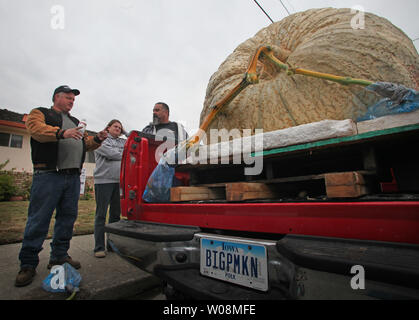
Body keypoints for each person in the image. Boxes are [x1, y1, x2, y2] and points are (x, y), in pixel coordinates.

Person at [15, 85, 108, 287]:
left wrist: (97, 139)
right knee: (39, 219)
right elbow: (36, 131)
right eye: (68, 98)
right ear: (57, 97)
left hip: (72, 177)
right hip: (49, 175)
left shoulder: (75, 122)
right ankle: (28, 264)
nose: (71, 101)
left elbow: (85, 143)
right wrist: (61, 133)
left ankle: (59, 255)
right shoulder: (40, 113)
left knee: (67, 218)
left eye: (73, 99)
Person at [93, 119, 126, 258]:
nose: (118, 129)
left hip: (118, 182)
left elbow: (134, 144)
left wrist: (126, 132)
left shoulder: (122, 141)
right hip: (103, 181)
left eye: (120, 127)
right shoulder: (101, 140)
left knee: (115, 215)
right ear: (108, 127)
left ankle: (112, 245)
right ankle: (99, 247)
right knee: (101, 215)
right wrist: (123, 154)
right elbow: (112, 154)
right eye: (115, 126)